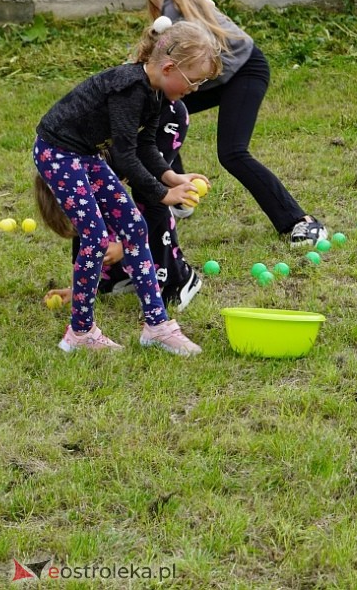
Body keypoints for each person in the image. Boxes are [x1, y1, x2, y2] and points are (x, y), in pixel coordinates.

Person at [122, 0, 329, 247]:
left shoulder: (177, 9)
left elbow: (189, 60)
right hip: (220, 76)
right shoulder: (164, 5)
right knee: (158, 106)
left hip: (244, 72)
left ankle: (301, 221)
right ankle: (179, 198)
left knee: (232, 152)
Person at [34, 21, 219, 354]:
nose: (194, 90)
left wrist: (171, 177)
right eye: (193, 81)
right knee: (95, 236)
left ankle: (157, 326)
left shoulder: (156, 93)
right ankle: (80, 333)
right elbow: (124, 155)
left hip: (84, 154)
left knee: (135, 226)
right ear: (168, 67)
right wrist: (165, 195)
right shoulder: (129, 89)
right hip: (57, 152)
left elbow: (147, 146)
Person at [39, 97, 203, 312]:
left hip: (162, 119)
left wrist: (125, 247)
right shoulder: (75, 168)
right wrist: (76, 289)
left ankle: (179, 276)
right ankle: (120, 274)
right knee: (103, 205)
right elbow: (85, 224)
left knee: (150, 194)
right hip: (116, 139)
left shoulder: (83, 163)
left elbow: (155, 202)